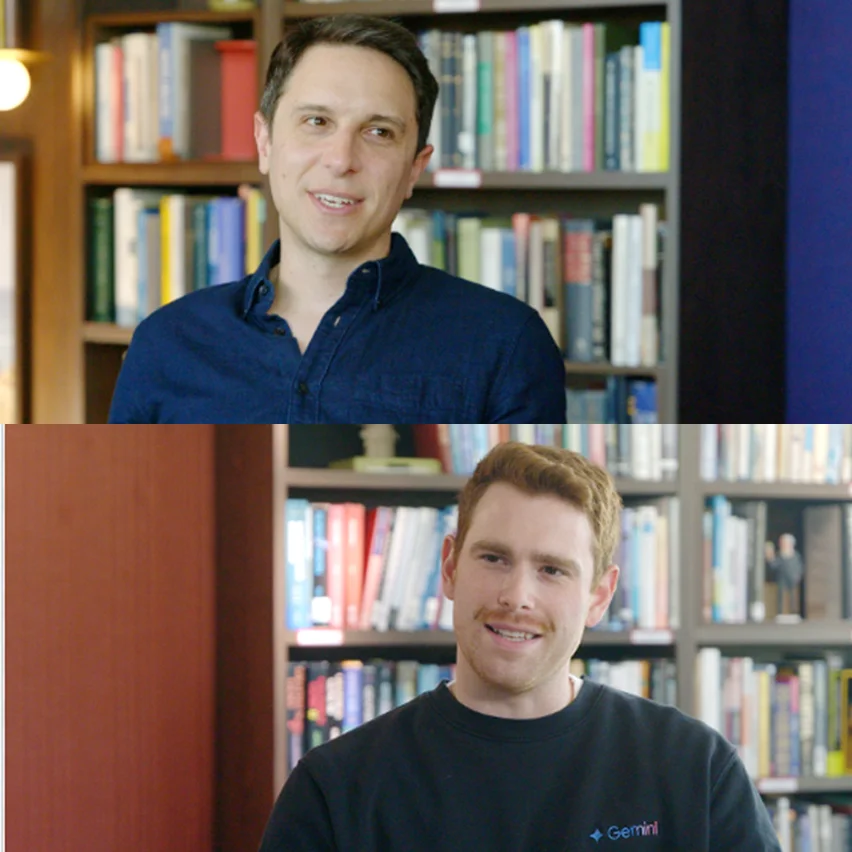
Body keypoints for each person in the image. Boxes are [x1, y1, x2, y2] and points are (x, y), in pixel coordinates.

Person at [257, 442, 782, 851]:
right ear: (450, 566)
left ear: (600, 596)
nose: (517, 598)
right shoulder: (337, 788)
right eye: (494, 559)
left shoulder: (695, 769)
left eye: (552, 570)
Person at [107, 15, 566, 424]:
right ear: (265, 142)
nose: (342, 159)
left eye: (378, 132)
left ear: (414, 168)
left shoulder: (507, 345)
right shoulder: (166, 342)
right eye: (317, 122)